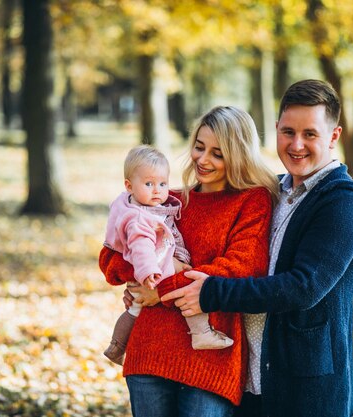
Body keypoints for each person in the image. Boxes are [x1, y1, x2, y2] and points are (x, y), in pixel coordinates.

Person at [162, 79, 353, 417]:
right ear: (276, 128)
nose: (296, 145)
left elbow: (303, 288)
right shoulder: (270, 192)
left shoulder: (342, 204)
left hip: (306, 391)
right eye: (288, 131)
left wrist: (211, 292)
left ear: (334, 137)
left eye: (310, 134)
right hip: (250, 380)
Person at [99, 106, 278, 416]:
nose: (203, 160)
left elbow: (241, 267)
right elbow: (110, 257)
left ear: (238, 156)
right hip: (150, 348)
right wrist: (146, 273)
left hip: (210, 356)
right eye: (199, 147)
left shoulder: (252, 200)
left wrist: (160, 288)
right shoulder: (167, 200)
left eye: (218, 154)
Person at [103, 145, 234, 366]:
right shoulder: (139, 217)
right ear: (129, 186)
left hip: (152, 268)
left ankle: (116, 346)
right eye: (149, 184)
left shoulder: (142, 205)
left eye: (163, 184)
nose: (157, 190)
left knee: (134, 308)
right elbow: (141, 246)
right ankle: (202, 333)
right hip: (155, 266)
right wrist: (150, 272)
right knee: (189, 289)